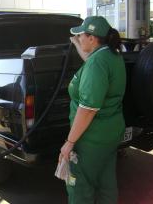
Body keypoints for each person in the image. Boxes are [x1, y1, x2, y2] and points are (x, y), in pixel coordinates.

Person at [59, 16, 126, 204]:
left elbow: (88, 109)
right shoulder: (111, 55)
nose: (79, 38)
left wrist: (69, 143)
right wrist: (75, 43)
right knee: (106, 181)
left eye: (81, 35)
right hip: (109, 134)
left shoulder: (97, 64)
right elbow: (91, 58)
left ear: (92, 38)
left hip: (90, 139)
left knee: (79, 185)